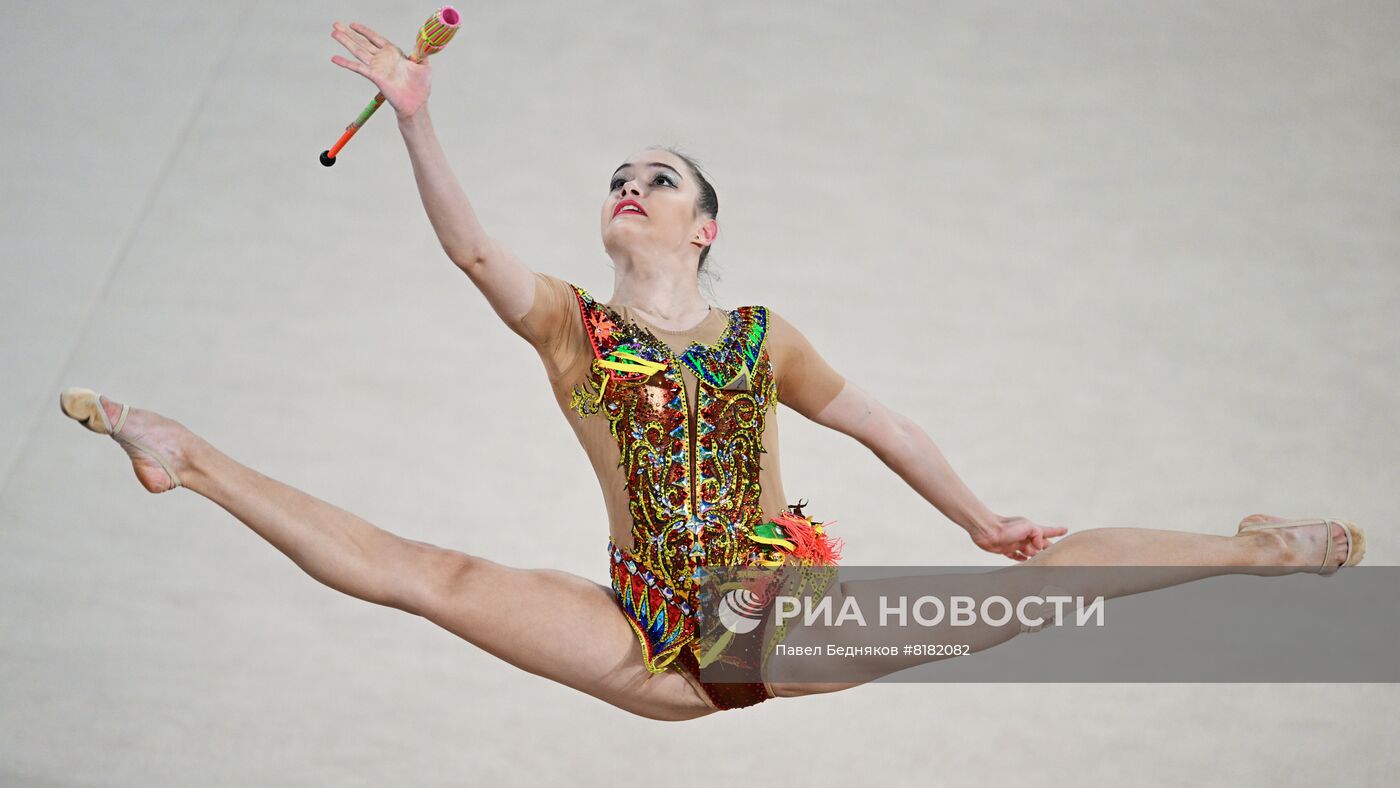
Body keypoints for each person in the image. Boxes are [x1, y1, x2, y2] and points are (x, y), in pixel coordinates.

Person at [58, 19, 1365, 721]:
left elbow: (881, 423)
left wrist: (980, 517)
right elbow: (471, 253)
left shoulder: (760, 339)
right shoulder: (574, 326)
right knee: (429, 579)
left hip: (764, 617)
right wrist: (419, 118)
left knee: (1015, 596)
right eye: (619, 178)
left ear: (703, 227)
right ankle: (188, 450)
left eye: (660, 179)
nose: (633, 186)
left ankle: (1265, 551)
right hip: (644, 636)